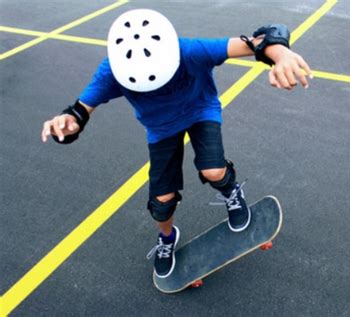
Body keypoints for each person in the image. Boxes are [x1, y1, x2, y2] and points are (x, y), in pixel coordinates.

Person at [41, 9, 312, 279]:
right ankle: (167, 239)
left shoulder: (191, 51)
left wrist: (282, 55)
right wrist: (68, 122)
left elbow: (262, 39)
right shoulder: (112, 70)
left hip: (200, 111)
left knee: (213, 171)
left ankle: (232, 193)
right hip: (161, 128)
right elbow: (80, 110)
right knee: (161, 202)